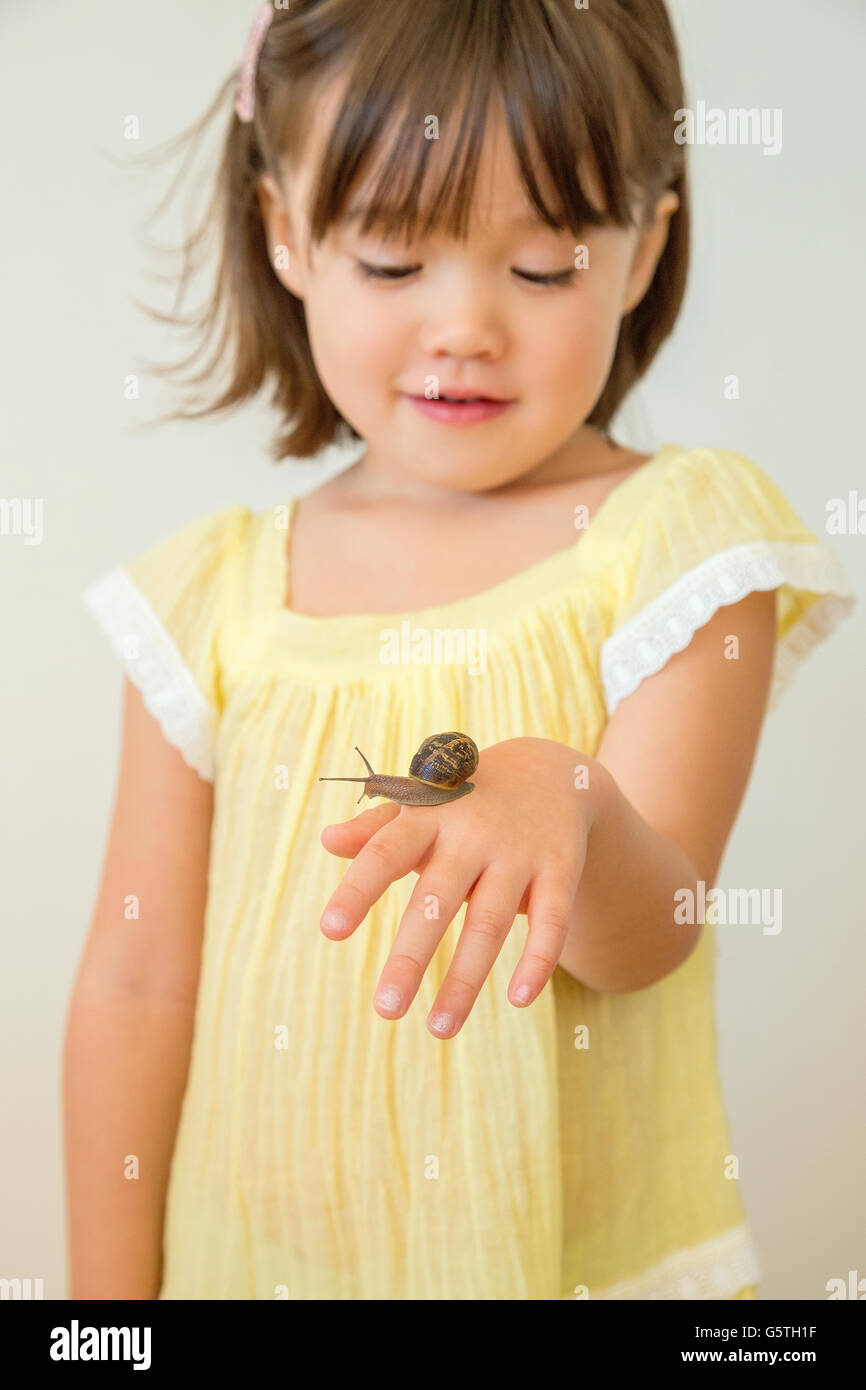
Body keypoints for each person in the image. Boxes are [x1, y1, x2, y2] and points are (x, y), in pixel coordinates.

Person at [66, 0, 855, 1300]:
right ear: (286, 233)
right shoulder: (211, 596)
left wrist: (574, 798)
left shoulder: (674, 541)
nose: (465, 328)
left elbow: (652, 929)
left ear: (642, 250)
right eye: (391, 264)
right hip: (249, 1271)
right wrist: (106, 1317)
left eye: (541, 268)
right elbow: (136, 977)